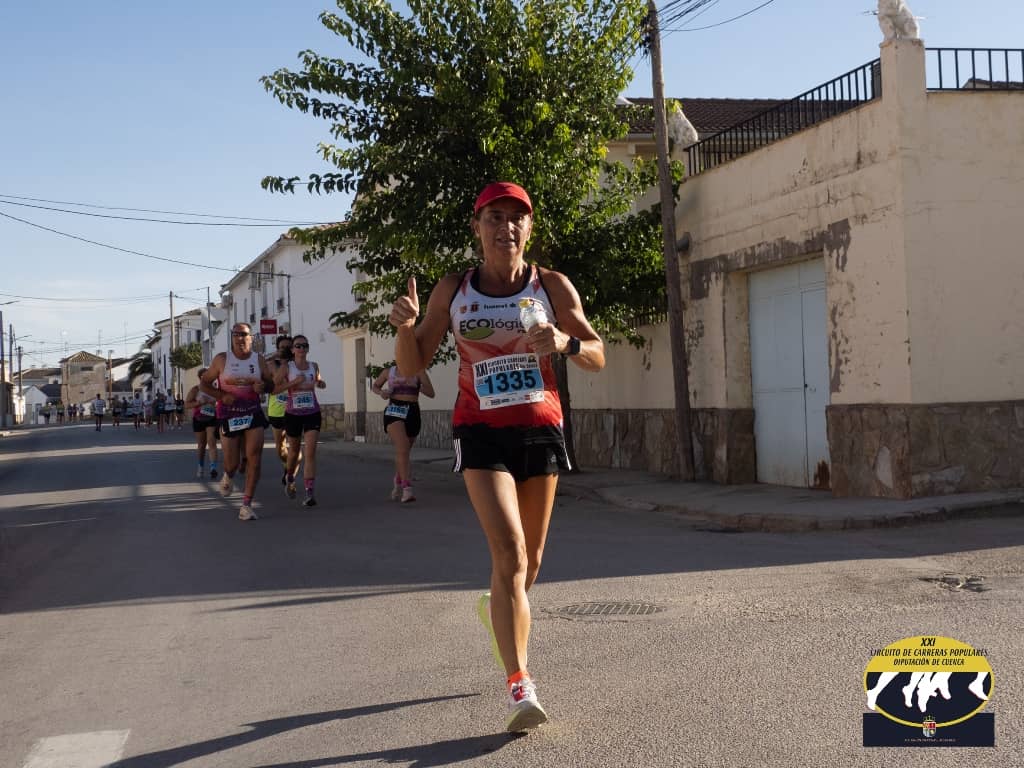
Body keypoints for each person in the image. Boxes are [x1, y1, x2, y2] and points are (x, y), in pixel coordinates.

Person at [388, 181, 605, 732]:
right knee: (508, 551)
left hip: (540, 429)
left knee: (530, 562)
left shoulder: (551, 285)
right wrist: (405, 327)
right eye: (494, 217)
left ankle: (499, 610)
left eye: (516, 217)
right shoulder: (454, 289)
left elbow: (597, 353)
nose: (505, 227)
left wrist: (565, 344)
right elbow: (411, 365)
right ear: (476, 226)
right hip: (479, 430)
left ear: (528, 227)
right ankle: (520, 683)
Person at [200, 323, 272, 521]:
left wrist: (263, 387)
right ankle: (228, 475)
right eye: (236, 334)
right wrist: (221, 396)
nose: (240, 338)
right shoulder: (222, 359)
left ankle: (246, 505)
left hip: (253, 412)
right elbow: (204, 384)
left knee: (254, 459)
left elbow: (271, 384)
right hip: (229, 414)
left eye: (244, 334)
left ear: (251, 337)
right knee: (232, 464)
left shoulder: (259, 360)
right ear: (232, 338)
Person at [272, 334, 327, 507]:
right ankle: (290, 478)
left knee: (310, 452)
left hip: (312, 412)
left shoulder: (313, 366)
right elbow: (273, 389)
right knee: (294, 452)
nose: (301, 348)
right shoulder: (287, 368)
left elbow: (318, 380)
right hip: (293, 414)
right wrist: (293, 383)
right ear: (293, 350)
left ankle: (310, 493)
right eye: (298, 346)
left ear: (308, 348)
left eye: (304, 345)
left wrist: (320, 383)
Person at [370, 365, 435, 502]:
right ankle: (407, 488)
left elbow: (431, 393)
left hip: (412, 412)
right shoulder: (388, 372)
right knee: (403, 446)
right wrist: (381, 392)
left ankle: (398, 479)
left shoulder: (419, 371)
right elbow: (375, 386)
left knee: (404, 452)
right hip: (394, 410)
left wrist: (418, 386)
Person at [266, 334, 295, 483]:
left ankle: (290, 473)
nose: (285, 350)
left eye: (288, 347)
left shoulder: (297, 364)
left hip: (295, 409)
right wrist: (275, 357)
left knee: (294, 446)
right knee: (280, 448)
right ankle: (287, 466)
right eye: (282, 347)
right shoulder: (271, 364)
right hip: (276, 411)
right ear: (277, 349)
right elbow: (275, 382)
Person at [185, 370, 220, 479]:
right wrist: (198, 403)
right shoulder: (195, 390)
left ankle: (213, 468)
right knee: (201, 445)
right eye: (206, 375)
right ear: (201, 377)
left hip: (212, 418)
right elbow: (186, 405)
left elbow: (222, 401)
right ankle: (200, 466)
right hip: (199, 419)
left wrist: (216, 404)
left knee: (212, 442)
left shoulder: (215, 390)